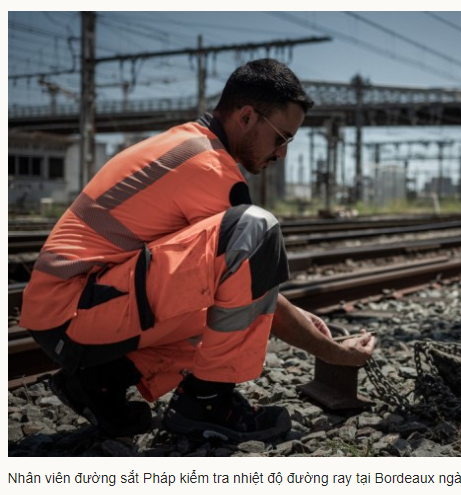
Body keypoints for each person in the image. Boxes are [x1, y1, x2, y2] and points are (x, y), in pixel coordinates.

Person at [20, 59, 376, 442]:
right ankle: (207, 401)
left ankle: (99, 382)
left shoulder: (189, 143)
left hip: (68, 308)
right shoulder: (209, 167)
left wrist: (298, 315)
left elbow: (243, 285)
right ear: (246, 117)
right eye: (281, 138)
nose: (282, 154)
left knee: (228, 297)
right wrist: (332, 351)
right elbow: (248, 272)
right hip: (77, 309)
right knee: (256, 228)